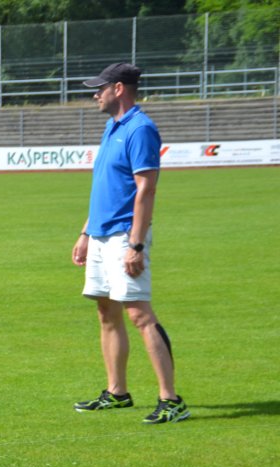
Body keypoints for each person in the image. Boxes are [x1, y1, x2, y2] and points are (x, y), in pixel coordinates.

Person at [71, 63, 188, 424]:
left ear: (118, 88)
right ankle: (117, 392)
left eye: (100, 88)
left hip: (125, 234)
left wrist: (135, 245)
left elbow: (146, 189)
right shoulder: (112, 127)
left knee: (139, 314)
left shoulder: (140, 129)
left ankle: (171, 400)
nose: (95, 94)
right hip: (101, 233)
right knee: (106, 312)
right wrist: (86, 232)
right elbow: (106, 188)